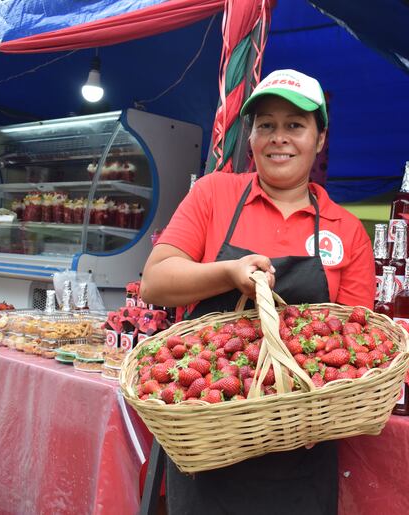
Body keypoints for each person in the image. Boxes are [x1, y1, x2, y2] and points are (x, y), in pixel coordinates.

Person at [140, 69, 375, 515]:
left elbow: (358, 340)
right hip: (209, 433)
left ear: (320, 139)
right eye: (265, 124)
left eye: (295, 125)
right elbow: (156, 282)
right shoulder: (214, 195)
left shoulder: (347, 229)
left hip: (302, 446)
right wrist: (229, 272)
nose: (278, 138)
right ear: (249, 137)